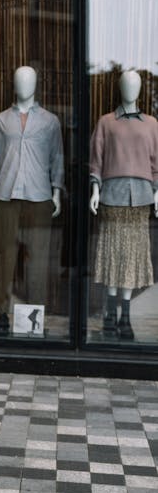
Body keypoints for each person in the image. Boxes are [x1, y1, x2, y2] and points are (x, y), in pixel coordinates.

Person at [0, 65, 64, 336]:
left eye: (29, 80)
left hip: (40, 196)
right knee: (5, 255)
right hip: (6, 196)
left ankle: (35, 314)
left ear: (36, 84)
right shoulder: (0, 121)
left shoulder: (50, 122)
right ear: (14, 84)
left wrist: (56, 192)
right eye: (19, 80)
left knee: (39, 258)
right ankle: (3, 313)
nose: (24, 85)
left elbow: (57, 158)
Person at [89, 68, 158, 339]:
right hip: (112, 195)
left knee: (132, 256)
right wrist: (95, 189)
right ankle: (109, 313)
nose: (132, 90)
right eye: (127, 85)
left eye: (136, 85)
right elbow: (96, 159)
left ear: (141, 90)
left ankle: (125, 317)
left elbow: (157, 164)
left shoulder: (152, 124)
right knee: (111, 253)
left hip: (140, 197)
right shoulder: (106, 122)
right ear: (120, 88)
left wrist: (156, 193)